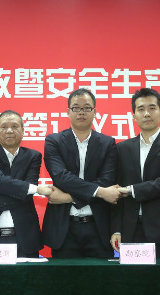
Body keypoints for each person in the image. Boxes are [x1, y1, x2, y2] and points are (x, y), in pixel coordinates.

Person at [42, 88, 120, 258]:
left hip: (98, 227)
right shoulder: (53, 141)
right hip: (64, 228)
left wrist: (68, 197)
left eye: (87, 108)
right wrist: (100, 192)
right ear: (68, 112)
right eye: (76, 108)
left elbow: (107, 180)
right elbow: (61, 178)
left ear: (95, 112)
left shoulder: (108, 143)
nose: (81, 112)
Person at [110, 88, 160, 258]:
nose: (146, 114)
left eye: (152, 108)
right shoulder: (122, 148)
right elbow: (116, 190)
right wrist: (116, 229)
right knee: (131, 275)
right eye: (141, 109)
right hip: (130, 230)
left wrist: (131, 190)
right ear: (134, 116)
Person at [0, 110, 52, 258]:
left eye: (15, 126)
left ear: (23, 131)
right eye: (4, 127)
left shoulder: (33, 156)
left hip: (26, 237)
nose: (9, 130)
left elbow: (26, 196)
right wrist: (37, 189)